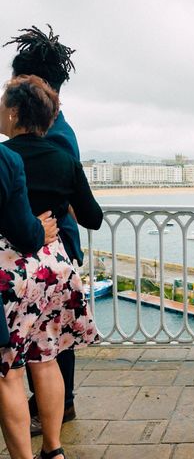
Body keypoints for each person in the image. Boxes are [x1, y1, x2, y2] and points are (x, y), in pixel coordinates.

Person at [0, 74, 101, 459]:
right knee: (45, 358)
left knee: (8, 371)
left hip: (11, 269)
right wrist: (60, 204)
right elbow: (92, 216)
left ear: (14, 113)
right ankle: (54, 450)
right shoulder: (64, 159)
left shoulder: (7, 158)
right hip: (54, 267)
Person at [3, 24, 82, 434]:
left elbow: (68, 197)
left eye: (15, 81)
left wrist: (37, 224)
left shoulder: (54, 135)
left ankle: (56, 406)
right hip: (36, 244)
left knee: (52, 339)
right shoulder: (53, 127)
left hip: (47, 246)